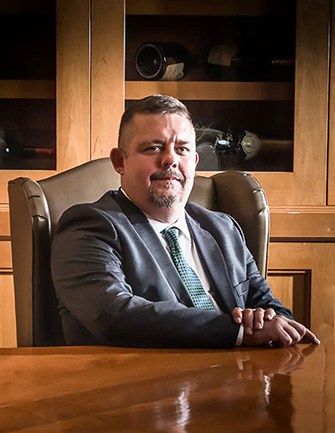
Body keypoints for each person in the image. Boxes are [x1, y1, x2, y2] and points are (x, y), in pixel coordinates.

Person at [51, 94, 320, 348]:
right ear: (120, 161)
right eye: (154, 147)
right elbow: (113, 315)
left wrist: (269, 320)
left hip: (237, 384)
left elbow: (270, 308)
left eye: (181, 149)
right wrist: (239, 331)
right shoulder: (89, 227)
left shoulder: (222, 228)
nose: (170, 160)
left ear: (194, 161)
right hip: (138, 388)